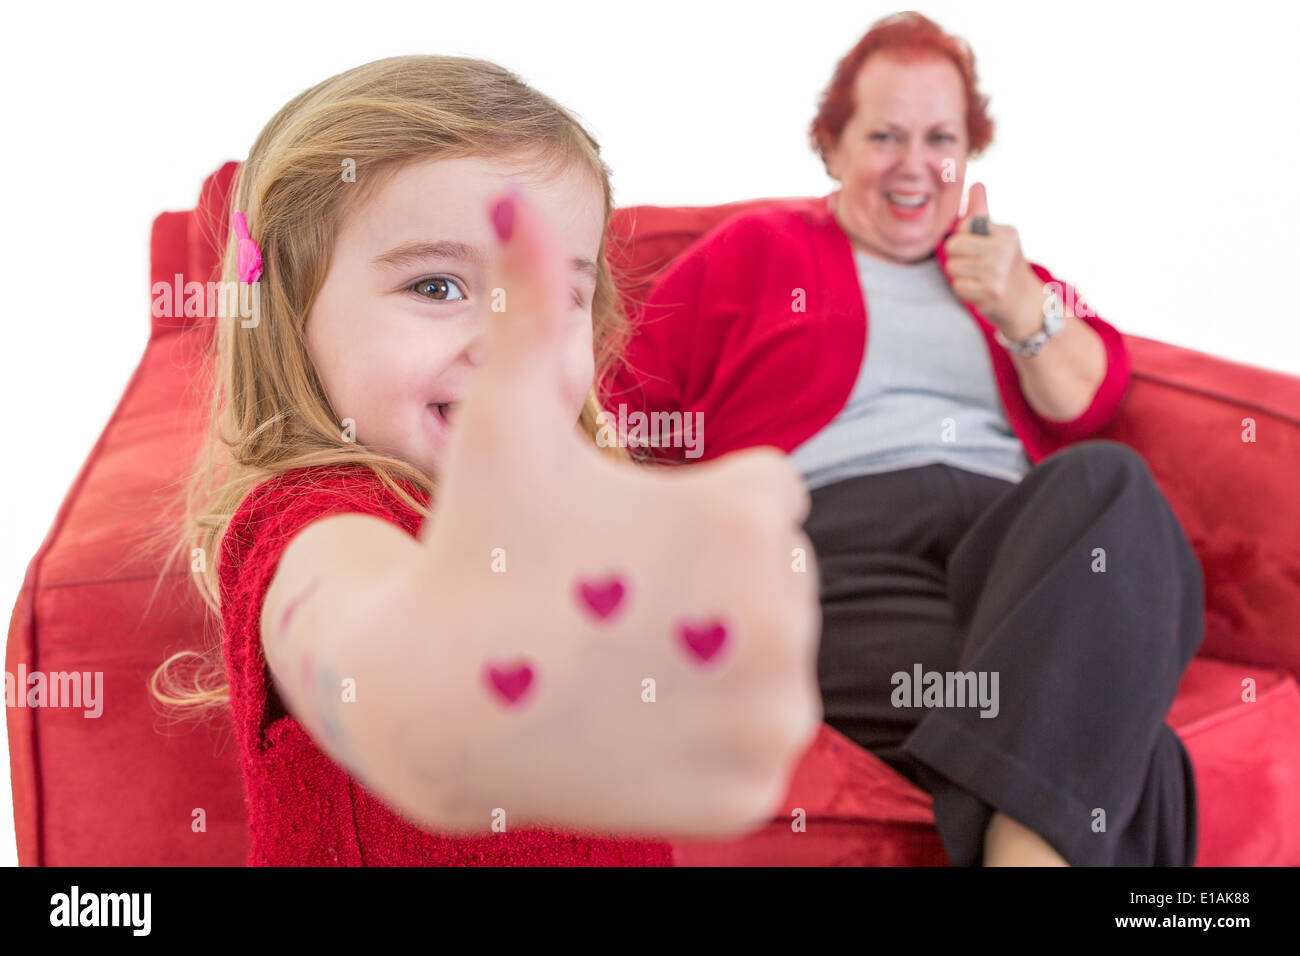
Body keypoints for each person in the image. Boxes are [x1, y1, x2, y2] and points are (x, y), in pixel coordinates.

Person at [149, 55, 823, 866]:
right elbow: (346, 630)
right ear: (291, 315)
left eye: (554, 296)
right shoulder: (310, 518)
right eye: (437, 287)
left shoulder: (568, 531)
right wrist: (431, 688)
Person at [606, 12, 1205, 866]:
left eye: (941, 137)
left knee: (1108, 482)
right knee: (1130, 743)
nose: (914, 164)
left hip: (1008, 560)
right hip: (830, 552)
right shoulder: (752, 252)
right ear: (833, 147)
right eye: (884, 135)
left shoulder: (1010, 276)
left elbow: (1091, 396)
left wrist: (1021, 310)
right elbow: (613, 404)